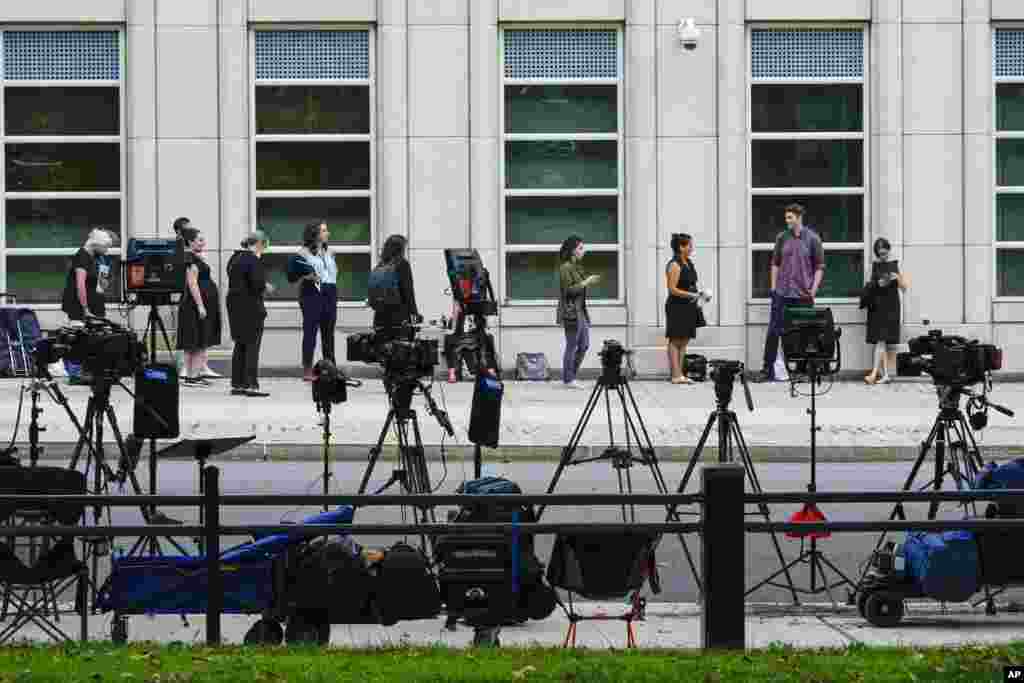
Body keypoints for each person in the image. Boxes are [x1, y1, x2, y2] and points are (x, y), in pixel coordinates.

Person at [756, 203, 825, 383]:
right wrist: (773, 288)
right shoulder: (782, 238)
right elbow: (775, 263)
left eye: (790, 217)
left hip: (803, 294)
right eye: (786, 217)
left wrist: (813, 290)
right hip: (782, 292)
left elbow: (819, 267)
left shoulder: (812, 239)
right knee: (773, 331)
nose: (787, 221)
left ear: (799, 217)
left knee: (804, 333)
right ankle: (767, 370)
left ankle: (801, 371)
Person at [61, 228, 115, 382]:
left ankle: (86, 371)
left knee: (90, 339)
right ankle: (75, 373)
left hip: (92, 302)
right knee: (77, 337)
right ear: (96, 244)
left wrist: (104, 277)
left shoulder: (96, 257)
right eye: (105, 247)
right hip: (78, 303)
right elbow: (80, 285)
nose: (107, 250)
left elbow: (100, 285)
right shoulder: (82, 257)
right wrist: (85, 308)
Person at [288, 221, 338, 382]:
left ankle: (330, 367)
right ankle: (308, 369)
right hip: (311, 292)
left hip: (330, 291)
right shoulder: (302, 253)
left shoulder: (330, 252)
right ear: (315, 234)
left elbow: (332, 273)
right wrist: (306, 275)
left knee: (328, 332)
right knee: (311, 331)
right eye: (324, 230)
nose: (327, 233)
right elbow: (293, 274)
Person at [226, 231, 274, 397]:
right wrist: (265, 286)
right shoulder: (253, 259)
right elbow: (256, 284)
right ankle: (251, 385)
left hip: (234, 306)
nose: (264, 249)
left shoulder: (234, 258)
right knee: (252, 346)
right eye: (265, 246)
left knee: (240, 345)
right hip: (250, 307)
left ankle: (238, 384)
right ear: (259, 243)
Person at [176, 227, 222, 387]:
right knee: (197, 342)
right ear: (190, 242)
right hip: (194, 305)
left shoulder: (194, 257)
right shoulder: (190, 259)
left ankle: (193, 375)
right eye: (200, 240)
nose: (203, 242)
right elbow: (192, 283)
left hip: (197, 304)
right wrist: (201, 306)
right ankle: (192, 377)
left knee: (196, 342)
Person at [863, 237, 909, 385]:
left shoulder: (894, 265)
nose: (883, 256)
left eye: (885, 253)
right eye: (880, 253)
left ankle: (876, 373)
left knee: (881, 341)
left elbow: (904, 288)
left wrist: (897, 278)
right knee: (880, 341)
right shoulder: (874, 266)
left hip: (891, 306)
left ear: (888, 250)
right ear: (877, 253)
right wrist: (879, 283)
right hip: (877, 306)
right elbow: (869, 286)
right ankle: (884, 374)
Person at [557, 235, 600, 389]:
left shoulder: (577, 267)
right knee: (572, 345)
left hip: (580, 311)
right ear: (572, 250)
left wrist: (586, 281)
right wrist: (586, 282)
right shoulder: (565, 268)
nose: (583, 251)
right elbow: (568, 291)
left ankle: (571, 376)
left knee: (584, 344)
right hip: (571, 312)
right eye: (580, 248)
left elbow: (579, 288)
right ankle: (568, 379)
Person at [664, 233, 706, 384]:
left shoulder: (688, 262)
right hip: (676, 306)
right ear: (681, 247)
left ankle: (680, 374)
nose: (692, 248)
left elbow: (691, 284)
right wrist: (691, 295)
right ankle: (675, 375)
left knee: (685, 340)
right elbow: (672, 289)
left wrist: (699, 294)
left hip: (689, 306)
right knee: (675, 340)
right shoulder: (674, 265)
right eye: (689, 245)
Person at [371, 234, 419, 337]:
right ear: (400, 249)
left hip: (379, 321)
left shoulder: (380, 265)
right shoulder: (403, 264)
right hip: (399, 321)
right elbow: (408, 293)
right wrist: (415, 316)